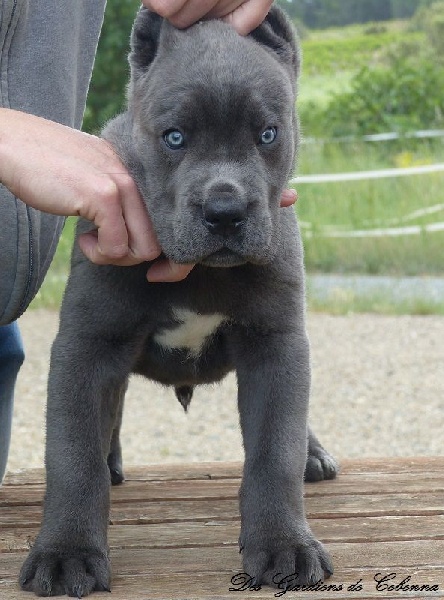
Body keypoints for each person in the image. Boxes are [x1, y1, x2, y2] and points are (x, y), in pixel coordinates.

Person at [0, 0, 296, 482]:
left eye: (266, 136)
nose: (226, 199)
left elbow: (279, 351)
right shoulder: (113, 193)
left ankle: (290, 439)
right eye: (175, 137)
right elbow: (88, 354)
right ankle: (104, 447)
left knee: (277, 361)